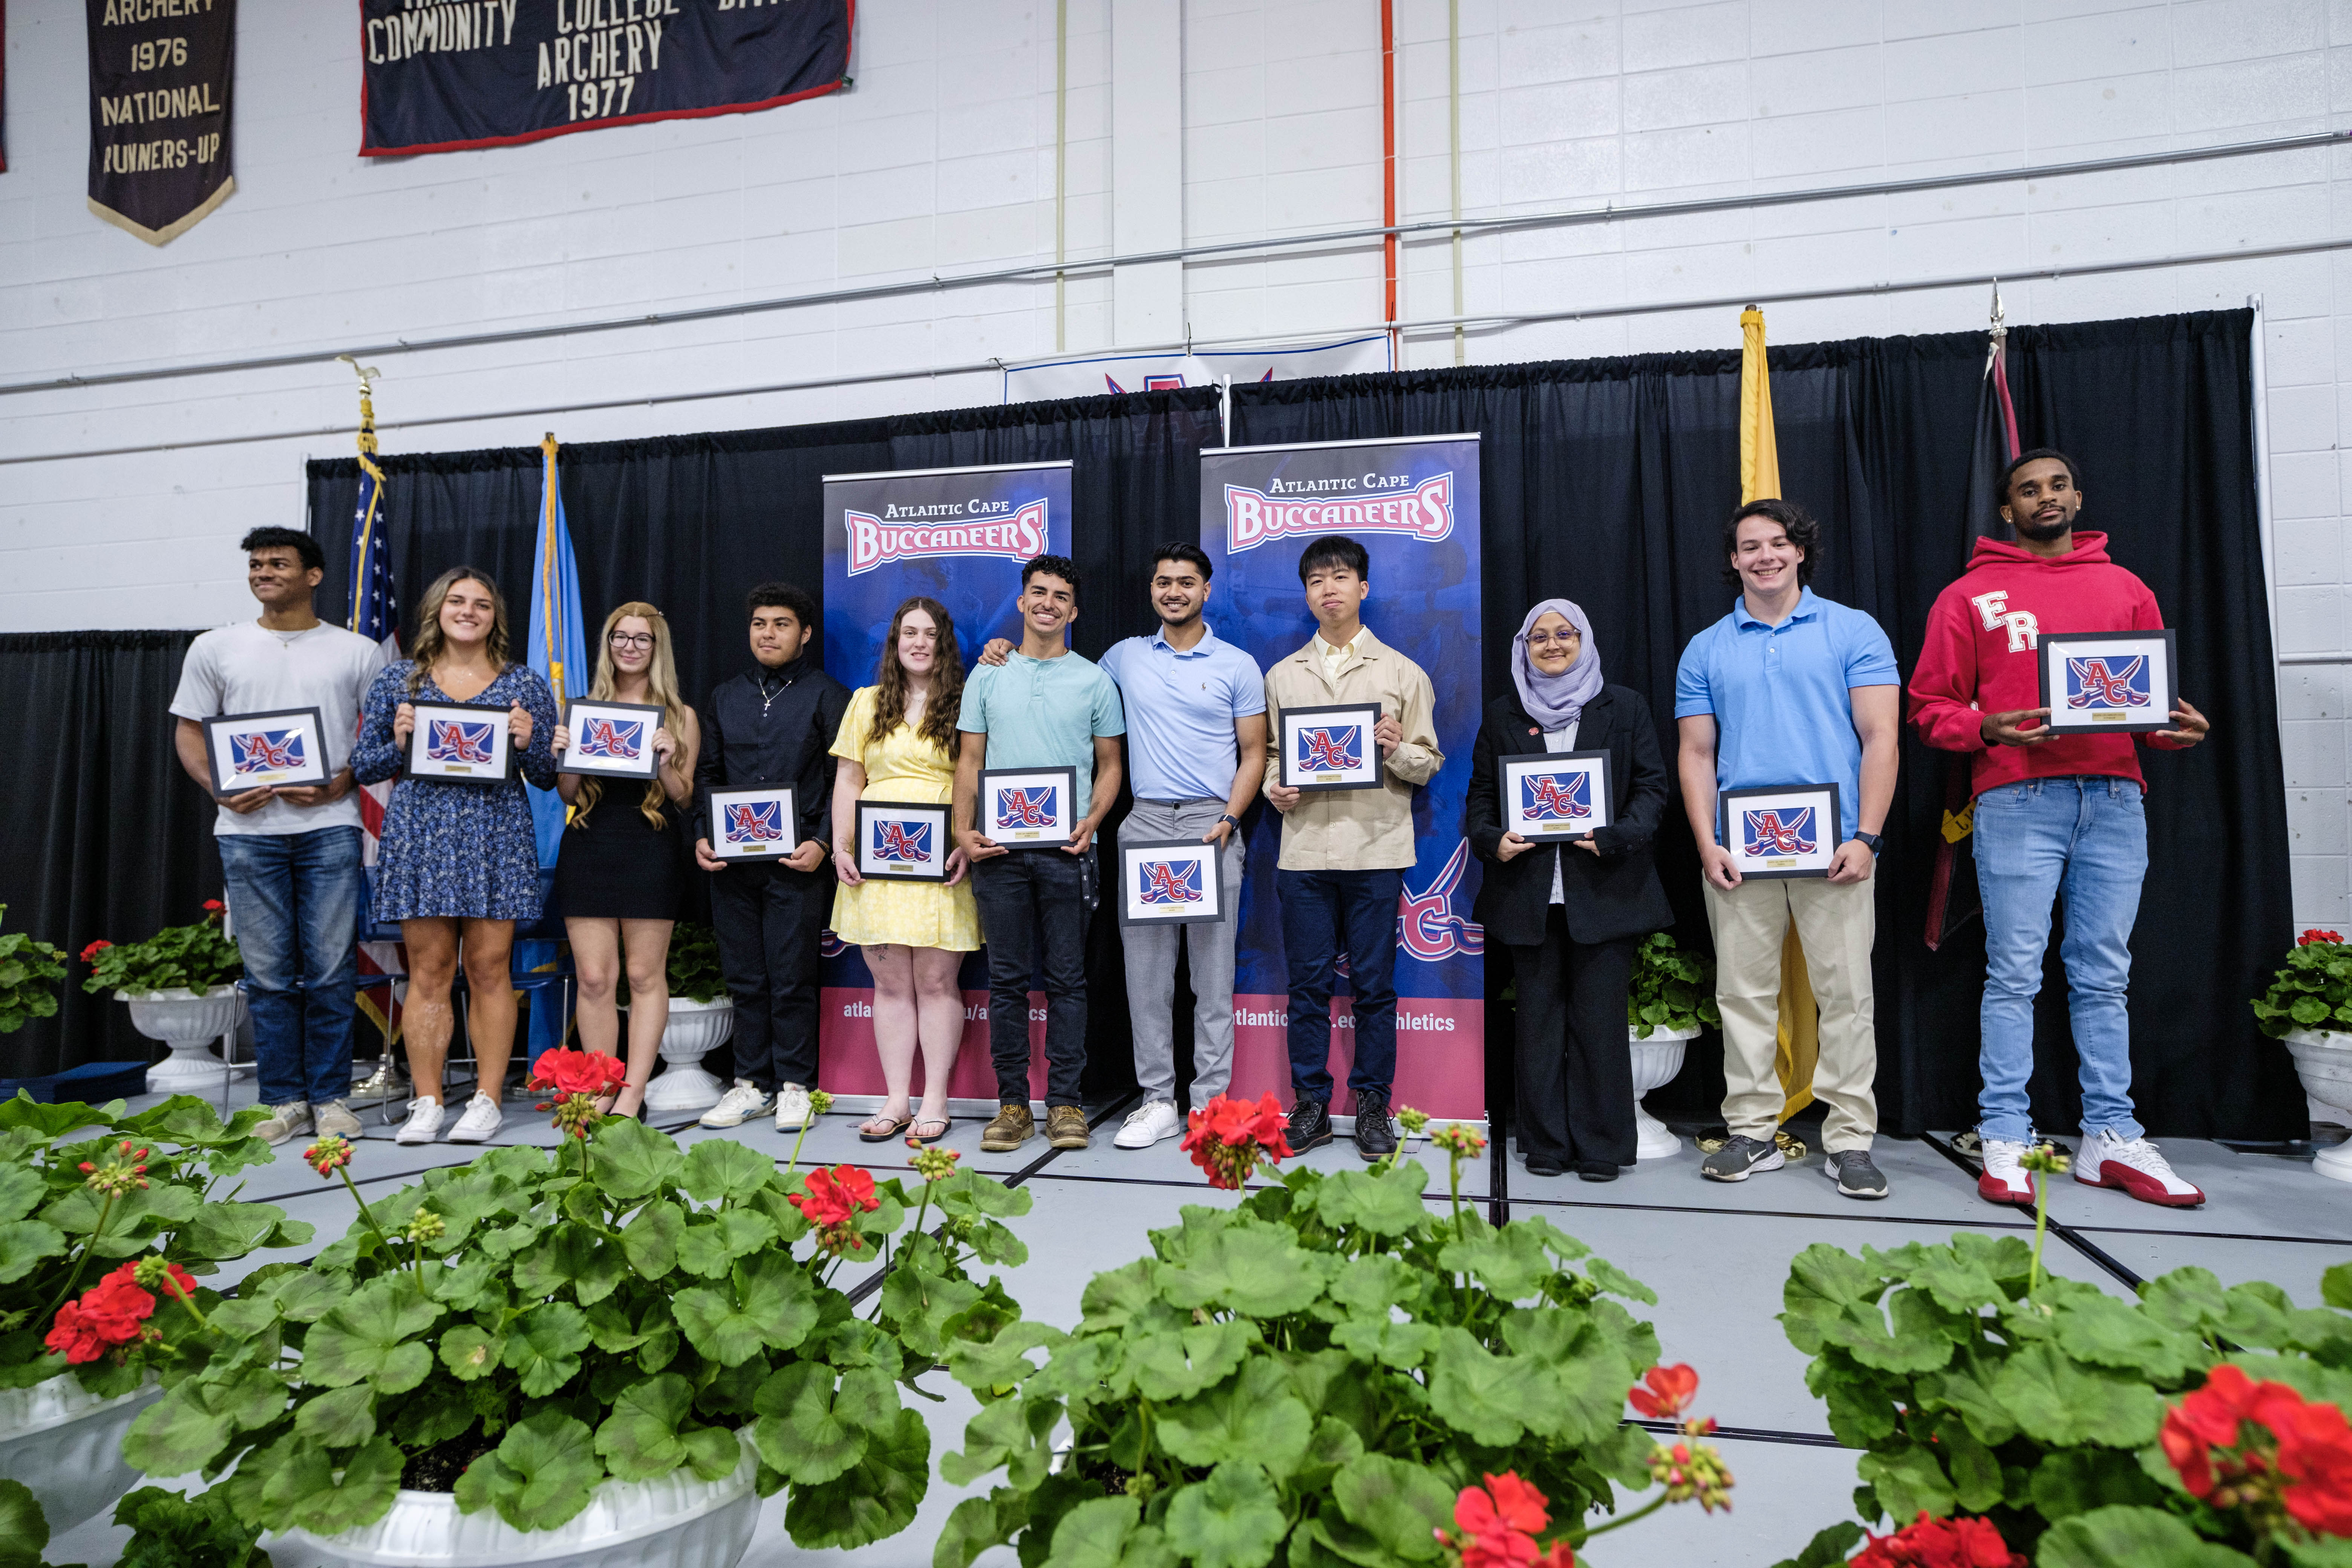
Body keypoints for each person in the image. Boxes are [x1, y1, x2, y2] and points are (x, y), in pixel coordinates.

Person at [1909, 449, 2213, 1209]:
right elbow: (1928, 708)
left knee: (2104, 972)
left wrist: (2170, 731)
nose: (2046, 498)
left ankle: (2109, 1135)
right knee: (2014, 971)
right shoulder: (1968, 597)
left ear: (2077, 496)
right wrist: (1987, 727)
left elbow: (2145, 704)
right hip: (2017, 801)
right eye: (2027, 490)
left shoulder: (2126, 587)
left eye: (2057, 485)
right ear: (2007, 510)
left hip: (2114, 799)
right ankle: (2005, 1131)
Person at [982, 542, 1268, 1150]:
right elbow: (1057, 671)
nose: (1174, 592)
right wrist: (1002, 649)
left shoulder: (1239, 664)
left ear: (1206, 591)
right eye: (1163, 582)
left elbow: (1254, 754)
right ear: (1152, 591)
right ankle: (1159, 1099)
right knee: (1147, 980)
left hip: (1211, 827)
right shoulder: (1122, 659)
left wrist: (1230, 817)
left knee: (1211, 981)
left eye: (1186, 583)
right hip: (1143, 827)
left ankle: (1211, 1108)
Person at [1675, 499, 1900, 1199]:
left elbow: (1882, 740)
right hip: (1739, 854)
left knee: (1847, 996)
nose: (1765, 556)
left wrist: (1866, 835)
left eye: (1778, 544)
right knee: (1742, 994)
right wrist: (1707, 842)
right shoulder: (1707, 647)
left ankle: (1850, 1141)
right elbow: (1695, 752)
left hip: (1837, 846)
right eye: (1750, 547)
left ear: (1801, 552)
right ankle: (1751, 1130)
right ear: (1733, 560)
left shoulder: (1853, 630)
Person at [168, 528, 389, 1147]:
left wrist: (342, 780)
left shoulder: (358, 651)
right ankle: (284, 1101)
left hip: (330, 830)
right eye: (256, 564)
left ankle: (332, 1099)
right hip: (246, 831)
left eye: (278, 563)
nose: (264, 572)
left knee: (328, 972)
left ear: (313, 576)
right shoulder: (216, 647)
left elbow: (379, 741)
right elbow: (190, 733)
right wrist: (219, 787)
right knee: (267, 976)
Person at [350, 567, 559, 1145]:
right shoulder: (399, 679)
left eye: (483, 604)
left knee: (490, 969)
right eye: (458, 601)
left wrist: (526, 742)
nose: (469, 611)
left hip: (496, 836)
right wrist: (395, 740)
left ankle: (487, 1100)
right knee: (430, 972)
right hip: (423, 836)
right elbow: (364, 767)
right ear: (438, 609)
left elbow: (546, 776)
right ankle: (428, 1101)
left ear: (496, 617)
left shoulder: (525, 684)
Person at [1466, 599, 1673, 1182]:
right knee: (1536, 1026)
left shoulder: (1624, 707)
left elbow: (1653, 790)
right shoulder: (1505, 714)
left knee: (1600, 1025)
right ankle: (1546, 1145)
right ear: (1523, 647)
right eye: (1539, 637)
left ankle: (1602, 1147)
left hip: (1603, 892)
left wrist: (1616, 836)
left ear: (1584, 641)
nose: (1552, 645)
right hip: (1529, 894)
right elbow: (1481, 796)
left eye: (1564, 635)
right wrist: (1492, 840)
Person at [1262, 534, 1442, 1161]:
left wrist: (1396, 750)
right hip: (1306, 853)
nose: (1328, 589)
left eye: (1340, 577)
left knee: (1374, 988)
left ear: (1363, 588)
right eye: (1316, 580)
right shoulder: (1283, 675)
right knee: (1307, 988)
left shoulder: (1402, 673)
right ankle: (1309, 1104)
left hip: (1376, 852)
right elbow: (1275, 760)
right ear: (1307, 594)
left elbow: (1429, 762)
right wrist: (1273, 788)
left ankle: (1373, 1105)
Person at [953, 554, 1125, 1154]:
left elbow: (1111, 766)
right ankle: (1011, 1105)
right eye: (1038, 593)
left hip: (1068, 850)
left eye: (1060, 596)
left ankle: (1066, 1103)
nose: (1048, 603)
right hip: (998, 851)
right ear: (1022, 602)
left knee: (1068, 981)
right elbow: (969, 762)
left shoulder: (1095, 680)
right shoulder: (987, 674)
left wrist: (1092, 821)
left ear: (1073, 611)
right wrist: (961, 830)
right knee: (1005, 982)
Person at [692, 583, 851, 1135]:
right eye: (760, 623)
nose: (768, 633)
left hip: (797, 862)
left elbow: (844, 781)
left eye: (781, 624)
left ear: (804, 634)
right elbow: (708, 777)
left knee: (790, 979)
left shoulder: (828, 695)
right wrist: (702, 835)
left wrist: (825, 844)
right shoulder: (724, 696)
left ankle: (795, 1087)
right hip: (733, 866)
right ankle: (751, 1084)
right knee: (745, 979)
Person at [830, 597, 981, 1144]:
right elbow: (849, 780)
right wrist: (841, 846)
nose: (920, 643)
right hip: (877, 865)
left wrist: (967, 839)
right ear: (895, 643)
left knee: (938, 983)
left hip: (943, 859)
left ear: (945, 643)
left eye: (931, 634)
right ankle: (896, 1100)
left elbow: (981, 777)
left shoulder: (969, 701)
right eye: (909, 633)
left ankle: (935, 1102)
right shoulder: (866, 703)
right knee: (891, 987)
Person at [550, 602, 700, 1122]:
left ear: (657, 649)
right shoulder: (583, 709)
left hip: (650, 843)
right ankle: (600, 1087)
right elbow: (569, 792)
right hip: (590, 842)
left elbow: (684, 798)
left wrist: (664, 761)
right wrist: (562, 753)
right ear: (608, 643)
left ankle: (633, 1091)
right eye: (621, 636)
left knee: (642, 975)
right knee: (593, 977)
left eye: (642, 639)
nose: (630, 646)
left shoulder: (680, 716)